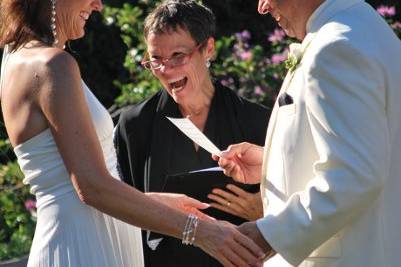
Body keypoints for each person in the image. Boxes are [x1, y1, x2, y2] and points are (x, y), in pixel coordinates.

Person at [0, 0, 266, 266]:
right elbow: (91, 187)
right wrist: (201, 232)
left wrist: (155, 203)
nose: (98, 5)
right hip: (82, 245)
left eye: (178, 56)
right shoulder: (52, 65)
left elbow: (70, 187)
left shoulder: (20, 55)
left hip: (90, 236)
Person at [215, 0, 401, 266]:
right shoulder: (363, 28)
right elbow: (373, 146)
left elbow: (356, 173)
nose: (262, 7)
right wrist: (273, 160)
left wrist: (268, 235)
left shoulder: (336, 47)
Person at [113, 1, 268, 266]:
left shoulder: (258, 120)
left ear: (208, 49)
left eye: (177, 56)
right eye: (156, 60)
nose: (165, 69)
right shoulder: (133, 126)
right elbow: (116, 208)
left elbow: (299, 200)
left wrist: (264, 209)